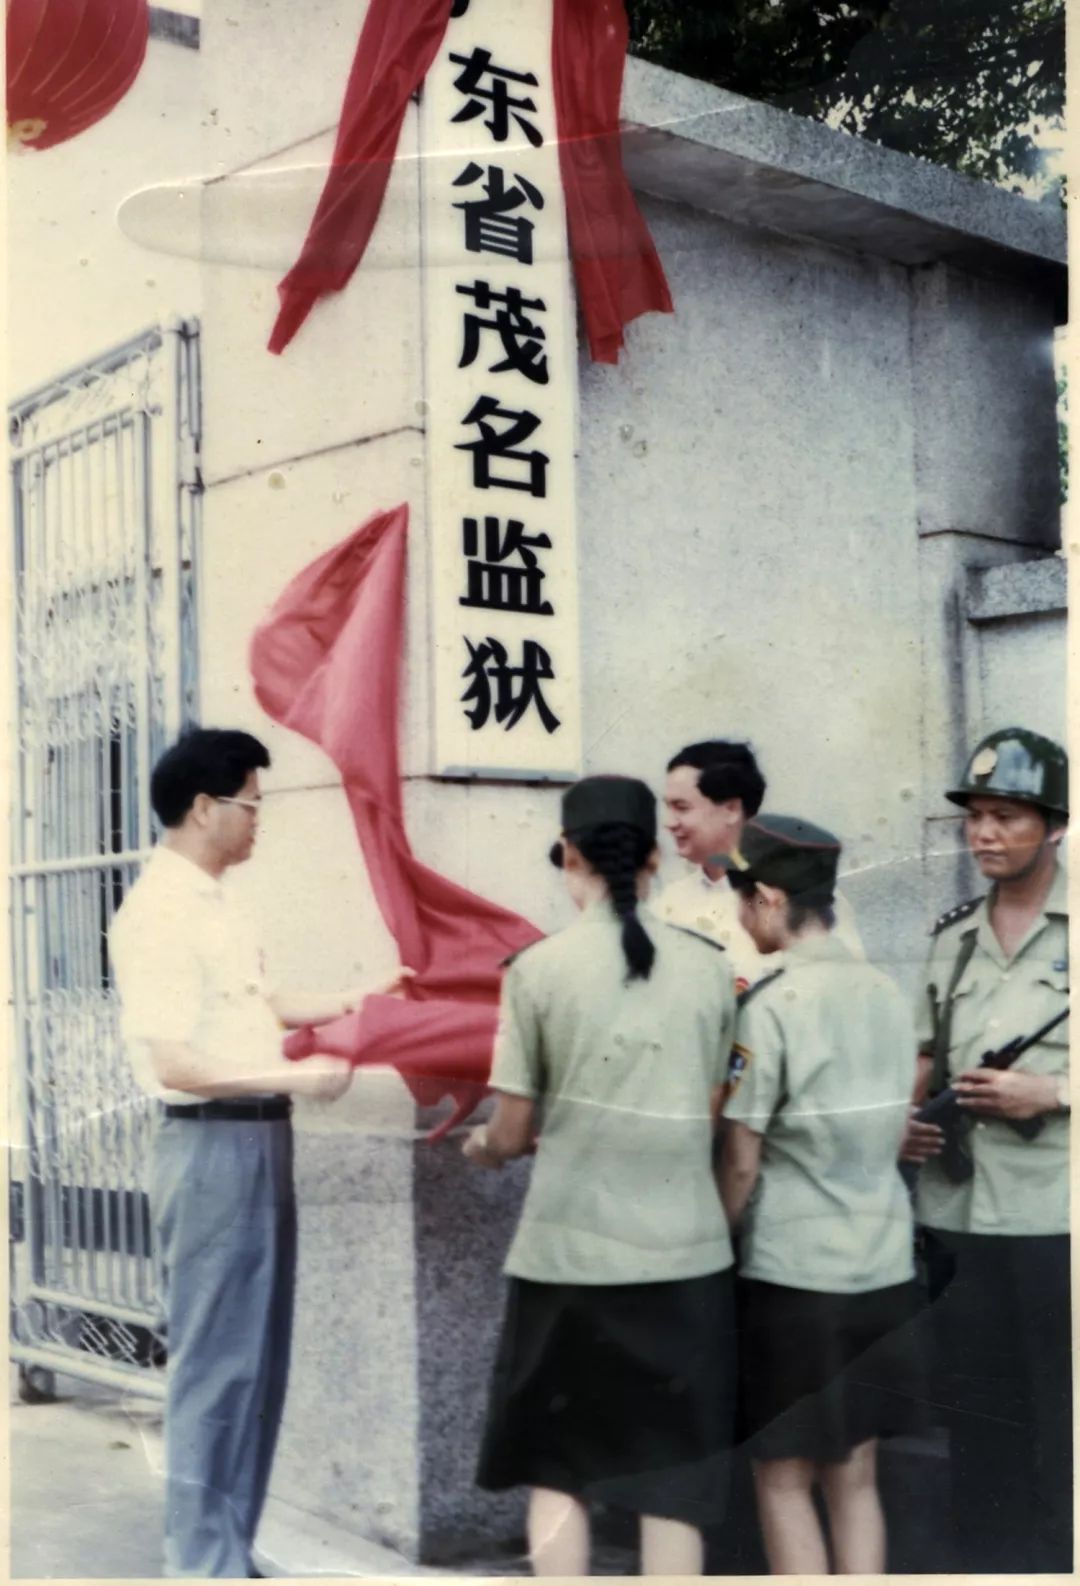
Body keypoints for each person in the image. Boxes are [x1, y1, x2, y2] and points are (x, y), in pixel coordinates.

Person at [109, 727, 411, 1578]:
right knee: (214, 1368)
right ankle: (199, 1562)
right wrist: (292, 1080)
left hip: (255, 1144)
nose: (258, 821)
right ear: (205, 809)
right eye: (251, 804)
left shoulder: (219, 901)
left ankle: (231, 1548)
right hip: (209, 1150)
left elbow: (264, 1003)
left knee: (257, 1365)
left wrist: (361, 997)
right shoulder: (159, 913)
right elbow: (174, 1062)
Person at [462, 774, 738, 1577]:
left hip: (569, 1260)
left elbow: (511, 1133)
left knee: (561, 1468)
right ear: (654, 857)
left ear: (569, 856)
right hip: (684, 1258)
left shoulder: (536, 971)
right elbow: (711, 1110)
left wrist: (481, 1149)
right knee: (673, 1483)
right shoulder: (711, 969)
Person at [717, 814, 925, 1576]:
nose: (741, 917)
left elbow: (741, 1157)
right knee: (857, 1473)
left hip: (794, 1279)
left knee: (782, 1477)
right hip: (882, 1270)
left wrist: (715, 1245)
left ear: (769, 898)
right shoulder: (884, 991)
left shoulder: (770, 1007)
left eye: (744, 899)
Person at [900, 726, 1071, 1574]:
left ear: (1054, 822)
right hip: (959, 1214)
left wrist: (1054, 1092)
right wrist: (908, 1116)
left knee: (1061, 1419)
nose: (984, 834)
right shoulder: (954, 935)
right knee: (978, 1417)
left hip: (1055, 1218)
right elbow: (923, 1058)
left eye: (1006, 815)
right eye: (976, 817)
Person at [658, 740, 863, 990]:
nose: (668, 822)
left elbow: (843, 995)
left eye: (681, 807)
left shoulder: (812, 903)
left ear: (732, 809)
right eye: (667, 807)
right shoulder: (668, 904)